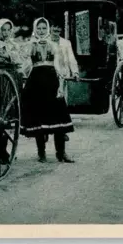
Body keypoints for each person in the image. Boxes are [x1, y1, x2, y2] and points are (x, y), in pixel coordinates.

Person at [20, 17, 75, 163]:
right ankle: (41, 153)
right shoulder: (30, 45)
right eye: (39, 28)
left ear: (48, 29)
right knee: (40, 119)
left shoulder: (53, 45)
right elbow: (26, 65)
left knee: (58, 116)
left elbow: (57, 64)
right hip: (36, 83)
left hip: (51, 81)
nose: (41, 31)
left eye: (44, 28)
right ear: (35, 29)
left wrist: (61, 81)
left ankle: (61, 152)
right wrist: (23, 74)